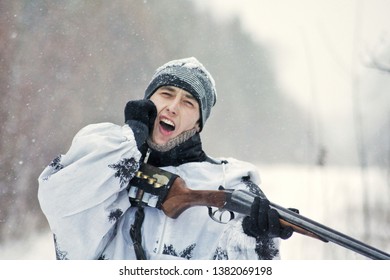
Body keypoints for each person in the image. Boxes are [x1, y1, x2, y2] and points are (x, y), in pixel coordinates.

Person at [38, 57, 293, 260]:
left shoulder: (233, 184)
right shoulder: (105, 165)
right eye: (166, 94)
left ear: (199, 123)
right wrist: (130, 139)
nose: (173, 106)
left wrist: (253, 241)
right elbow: (60, 200)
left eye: (188, 102)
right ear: (149, 101)